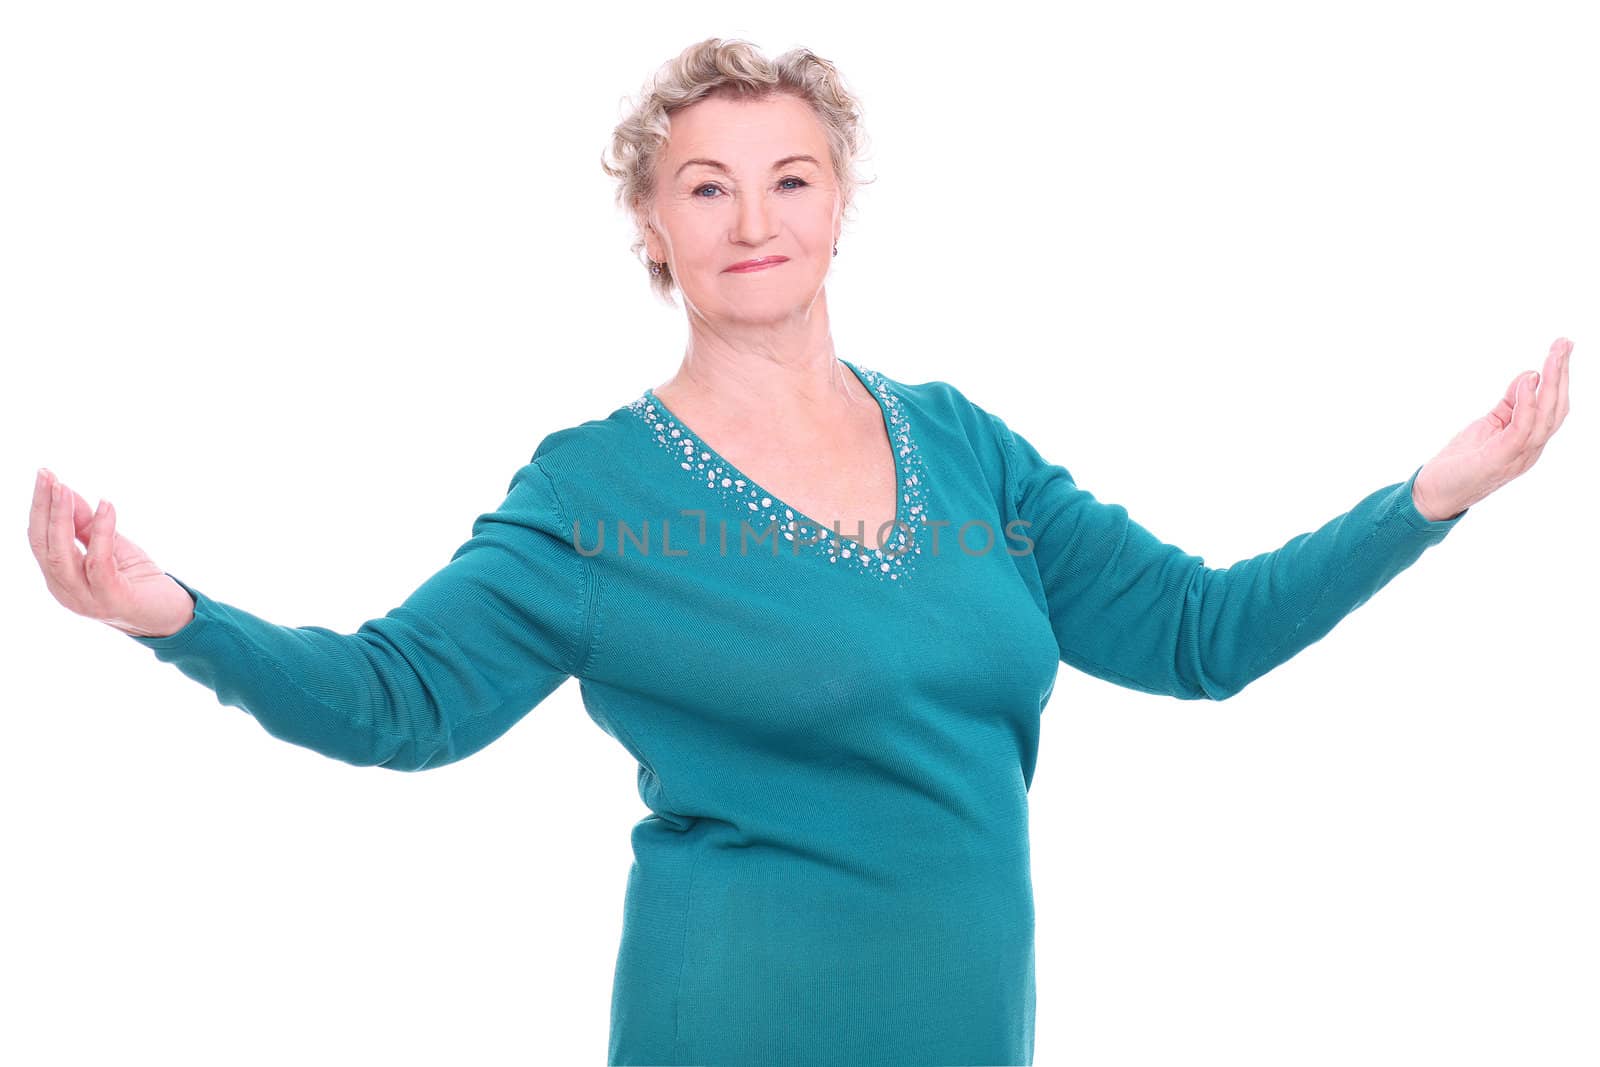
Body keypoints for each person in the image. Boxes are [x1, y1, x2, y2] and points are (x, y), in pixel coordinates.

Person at [27, 36, 1573, 1067]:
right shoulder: (592, 493)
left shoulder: (963, 444)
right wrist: (174, 615)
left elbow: (1196, 634)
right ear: (652, 227)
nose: (750, 218)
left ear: (838, 205)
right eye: (705, 185)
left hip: (972, 1031)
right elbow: (398, 702)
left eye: (788, 178)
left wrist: (1436, 490)